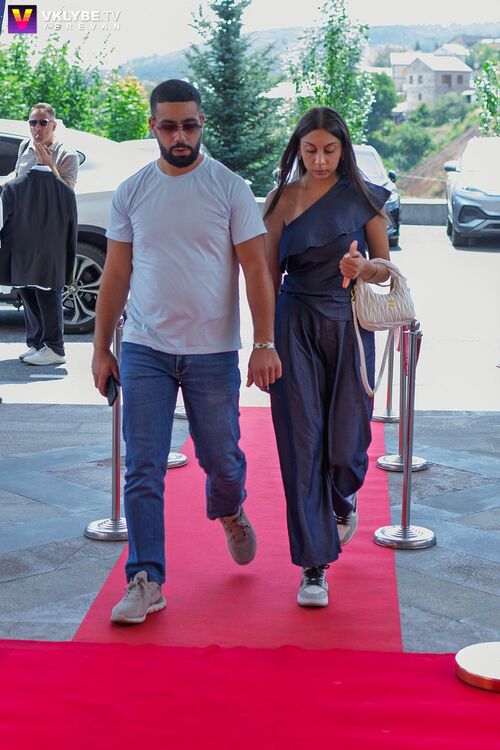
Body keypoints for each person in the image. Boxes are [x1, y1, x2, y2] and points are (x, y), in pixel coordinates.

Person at [92, 79, 281, 625]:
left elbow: (256, 270)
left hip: (211, 351)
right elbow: (116, 273)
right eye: (170, 126)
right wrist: (101, 347)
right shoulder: (132, 191)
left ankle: (229, 506)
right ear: (152, 126)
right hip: (144, 347)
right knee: (142, 466)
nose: (181, 136)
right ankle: (146, 578)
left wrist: (264, 343)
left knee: (221, 458)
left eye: (190, 125)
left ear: (202, 125)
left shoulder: (229, 188)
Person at [263, 106, 391, 608]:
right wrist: (263, 342)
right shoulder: (281, 200)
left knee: (346, 445)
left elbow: (386, 269)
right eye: (310, 150)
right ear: (297, 149)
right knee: (301, 445)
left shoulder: (362, 197)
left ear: (344, 150)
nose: (319, 160)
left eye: (329, 150)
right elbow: (265, 276)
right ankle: (313, 567)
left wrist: (364, 268)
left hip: (348, 325)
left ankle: (342, 499)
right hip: (293, 323)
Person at [14, 103, 79, 365]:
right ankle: (38, 343)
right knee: (24, 285)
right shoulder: (24, 147)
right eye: (33, 122)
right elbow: (18, 179)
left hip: (50, 230)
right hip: (23, 228)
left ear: (53, 124)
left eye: (43, 122)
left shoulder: (66, 154)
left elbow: (67, 193)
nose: (37, 128)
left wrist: (50, 166)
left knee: (47, 287)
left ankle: (55, 348)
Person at [0, 166, 77, 351]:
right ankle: (39, 344)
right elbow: (72, 230)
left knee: (42, 297)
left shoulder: (11, 188)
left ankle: (53, 347)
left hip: (21, 255)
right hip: (52, 255)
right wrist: (68, 264)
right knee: (38, 296)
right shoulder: (66, 192)